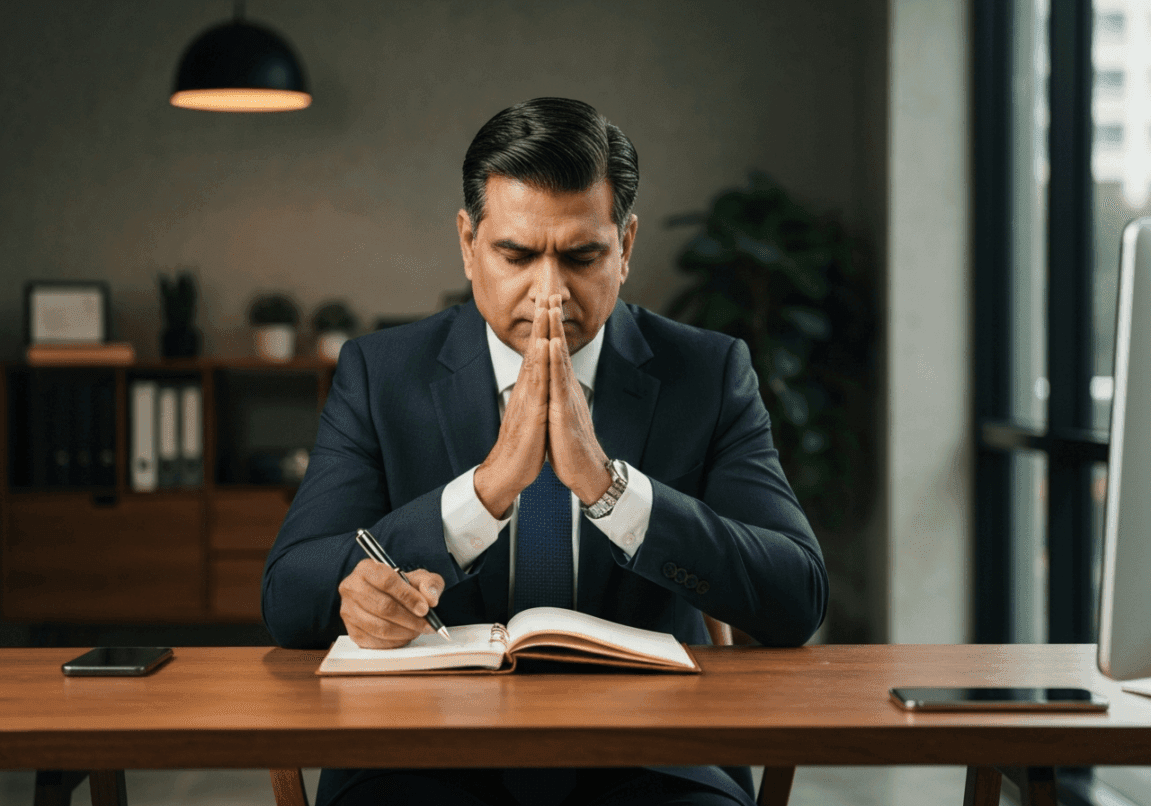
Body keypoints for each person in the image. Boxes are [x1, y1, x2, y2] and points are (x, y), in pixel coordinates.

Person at [262, 97, 828, 806]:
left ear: (624, 247)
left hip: (651, 759)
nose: (550, 293)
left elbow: (794, 597)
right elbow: (289, 597)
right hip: (417, 754)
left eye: (582, 255)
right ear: (469, 246)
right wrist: (486, 492)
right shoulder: (381, 374)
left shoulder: (707, 373)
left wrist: (610, 489)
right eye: (517, 254)